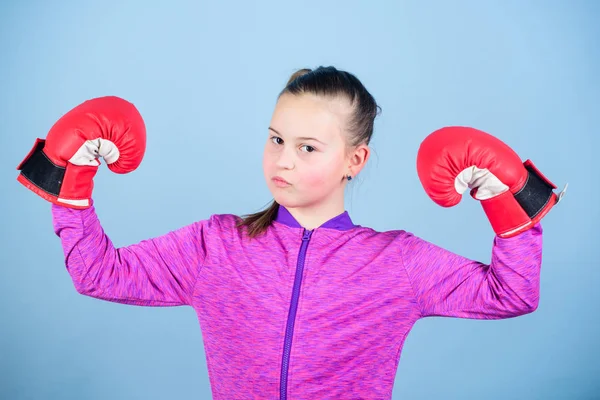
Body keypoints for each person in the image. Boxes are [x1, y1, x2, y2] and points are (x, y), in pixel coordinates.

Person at [16, 66, 563, 399]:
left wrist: (507, 200)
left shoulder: (397, 262)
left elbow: (511, 293)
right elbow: (97, 273)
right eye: (276, 139)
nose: (283, 161)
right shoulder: (217, 245)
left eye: (307, 147)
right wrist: (71, 183)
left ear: (356, 159)